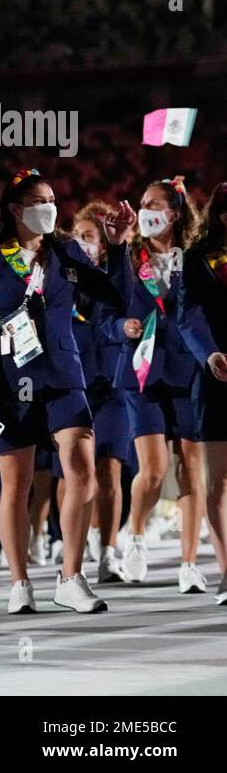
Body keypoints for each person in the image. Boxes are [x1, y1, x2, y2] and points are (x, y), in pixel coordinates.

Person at [0, 170, 135, 614]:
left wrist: (117, 246)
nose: (50, 207)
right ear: (16, 210)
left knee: (81, 468)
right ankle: (19, 582)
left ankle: (71, 576)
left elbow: (116, 297)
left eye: (53, 198)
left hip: (63, 373)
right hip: (9, 376)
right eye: (40, 200)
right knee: (16, 485)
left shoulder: (66, 250)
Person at [115, 177, 208, 593]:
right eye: (143, 202)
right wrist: (121, 325)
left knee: (191, 468)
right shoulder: (128, 256)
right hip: (142, 371)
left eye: (155, 203)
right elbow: (103, 309)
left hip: (189, 372)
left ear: (174, 212)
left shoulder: (197, 257)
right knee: (152, 471)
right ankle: (134, 537)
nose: (147, 209)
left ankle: (190, 563)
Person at [66, 201, 132, 583]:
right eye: (80, 236)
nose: (84, 242)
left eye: (91, 236)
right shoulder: (64, 273)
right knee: (74, 474)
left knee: (110, 469)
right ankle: (72, 542)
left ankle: (108, 551)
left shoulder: (116, 273)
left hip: (112, 382)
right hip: (73, 384)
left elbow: (121, 305)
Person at [178, 182, 227, 605]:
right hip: (218, 377)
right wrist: (209, 354)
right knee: (220, 482)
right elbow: (188, 316)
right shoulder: (198, 259)